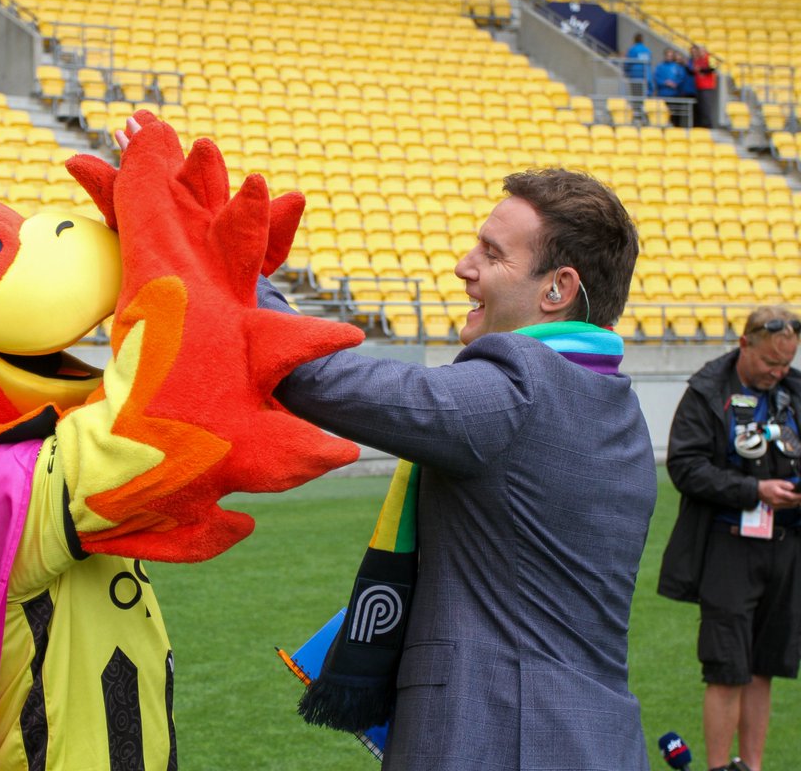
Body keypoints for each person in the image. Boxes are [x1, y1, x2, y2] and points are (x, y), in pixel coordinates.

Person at [260, 169, 657, 769]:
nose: (462, 266)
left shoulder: (525, 383)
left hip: (503, 737)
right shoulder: (611, 398)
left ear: (558, 290)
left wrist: (231, 264)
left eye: (491, 255)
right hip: (588, 737)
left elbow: (319, 377)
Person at [658, 308, 801, 771]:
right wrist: (753, 491)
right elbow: (685, 465)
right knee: (726, 667)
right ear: (745, 345)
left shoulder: (794, 391)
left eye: (787, 364)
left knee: (764, 667)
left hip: (785, 547)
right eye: (770, 364)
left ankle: (751, 766)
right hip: (728, 547)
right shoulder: (707, 392)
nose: (778, 373)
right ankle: (719, 768)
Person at [653, 48, 689, 126]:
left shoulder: (677, 67)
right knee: (664, 114)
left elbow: (682, 77)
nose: (669, 57)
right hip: (663, 95)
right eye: (667, 55)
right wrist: (665, 83)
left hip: (675, 94)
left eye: (670, 55)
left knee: (675, 114)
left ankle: (676, 128)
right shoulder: (660, 66)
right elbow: (656, 78)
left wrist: (675, 83)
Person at [689, 43, 719, 128]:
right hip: (699, 86)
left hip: (707, 86)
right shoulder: (697, 60)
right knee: (701, 107)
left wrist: (701, 70)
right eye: (699, 50)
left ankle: (708, 125)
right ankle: (702, 125)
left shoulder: (709, 57)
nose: (700, 52)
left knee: (706, 107)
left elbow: (713, 68)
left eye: (702, 50)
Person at [626, 32, 653, 96]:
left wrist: (626, 71)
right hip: (645, 75)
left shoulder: (633, 49)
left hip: (635, 75)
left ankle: (637, 105)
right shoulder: (647, 50)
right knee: (643, 95)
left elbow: (628, 62)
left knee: (636, 95)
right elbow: (649, 63)